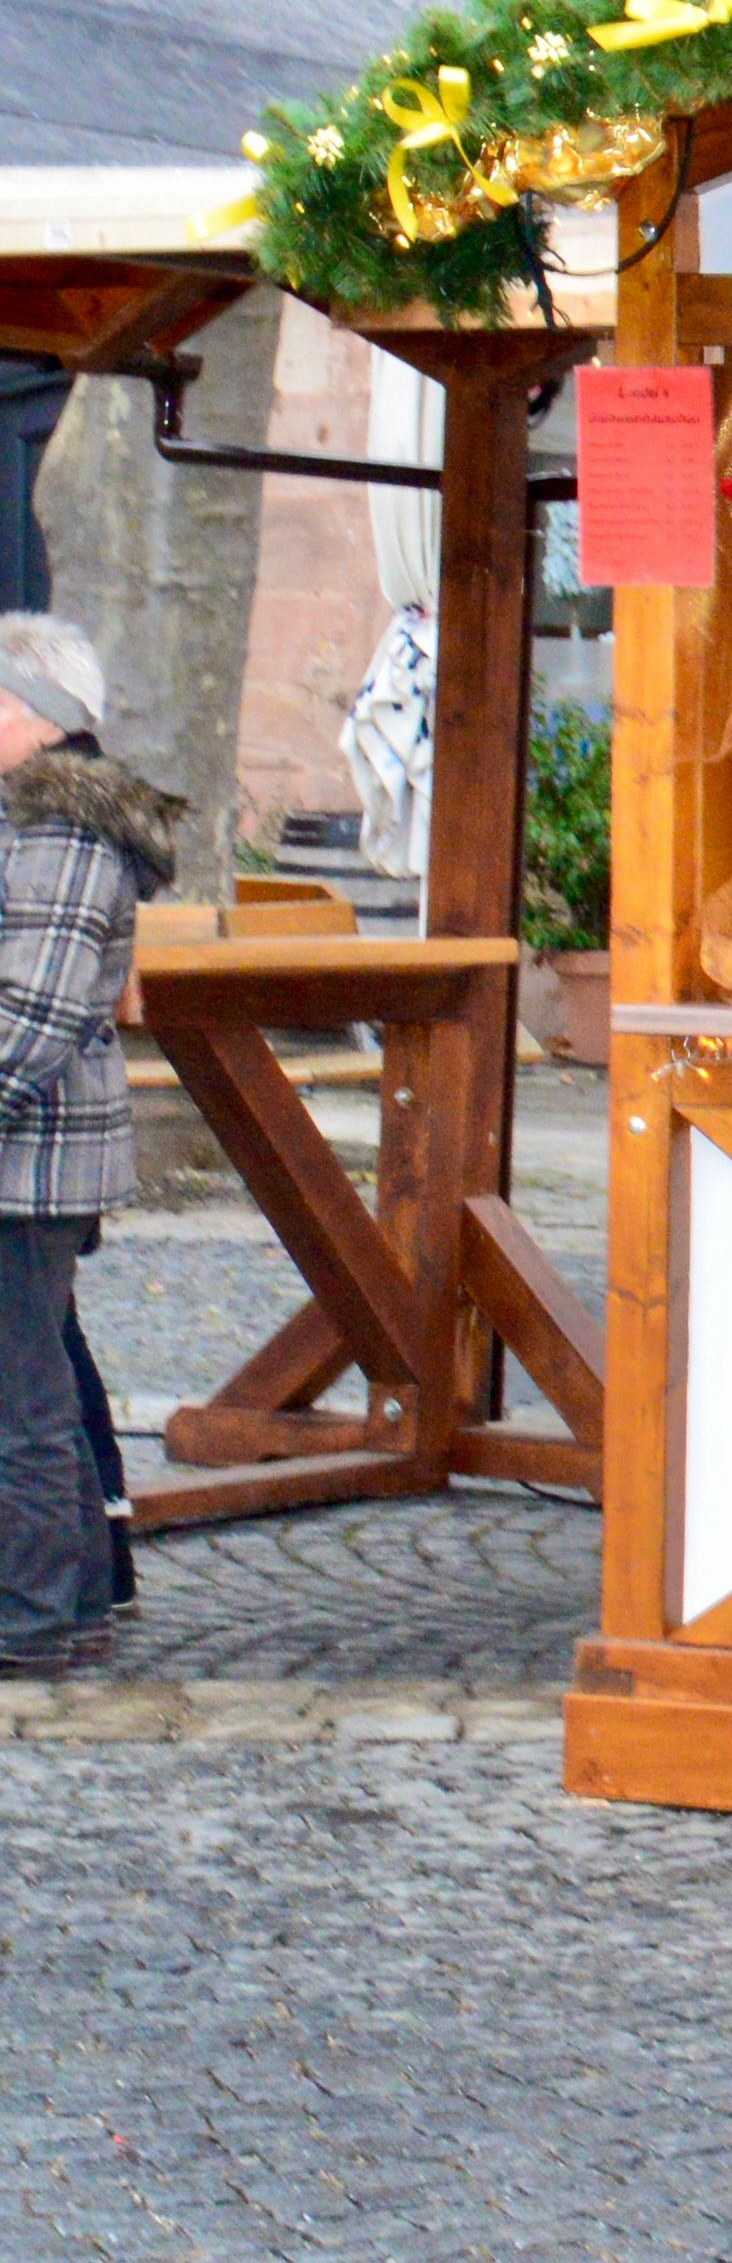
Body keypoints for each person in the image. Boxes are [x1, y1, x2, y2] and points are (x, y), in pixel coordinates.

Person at [0, 615, 173, 1676]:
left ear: (39, 717)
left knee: (20, 1404)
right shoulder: (37, 817)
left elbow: (35, 1012)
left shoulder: (66, 829)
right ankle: (66, 1601)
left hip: (29, 1156)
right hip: (31, 1148)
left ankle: (32, 1617)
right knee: (33, 1387)